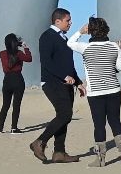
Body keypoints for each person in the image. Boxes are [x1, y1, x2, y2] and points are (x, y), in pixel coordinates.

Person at [69, 17, 121, 165]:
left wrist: (80, 31)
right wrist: (119, 52)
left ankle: (101, 158)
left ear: (91, 31)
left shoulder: (85, 47)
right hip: (114, 90)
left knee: (99, 124)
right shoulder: (114, 46)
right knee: (115, 121)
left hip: (95, 92)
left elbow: (70, 43)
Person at [29, 9, 83, 164]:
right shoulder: (47, 36)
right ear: (57, 21)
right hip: (52, 82)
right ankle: (39, 142)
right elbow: (46, 62)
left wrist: (78, 82)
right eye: (68, 20)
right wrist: (63, 76)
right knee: (65, 114)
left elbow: (69, 65)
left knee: (64, 117)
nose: (70, 23)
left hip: (67, 84)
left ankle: (59, 152)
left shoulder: (64, 38)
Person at [0, 33, 33, 134]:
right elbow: (29, 59)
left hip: (7, 80)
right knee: (16, 105)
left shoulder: (2, 53)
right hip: (17, 79)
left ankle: (0, 128)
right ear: (15, 43)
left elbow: (8, 62)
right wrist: (25, 47)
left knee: (5, 105)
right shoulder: (19, 53)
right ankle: (14, 128)